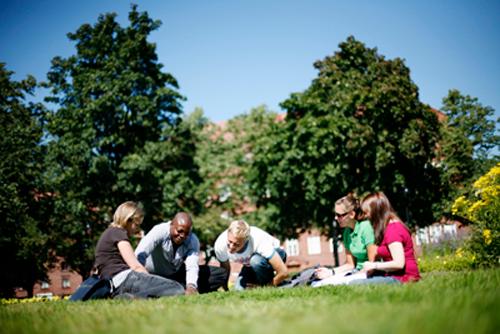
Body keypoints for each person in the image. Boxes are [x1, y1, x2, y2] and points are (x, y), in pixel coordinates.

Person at [94, 201, 185, 298]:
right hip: (125, 279)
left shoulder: (109, 233)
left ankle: (125, 297)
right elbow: (135, 266)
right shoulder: (118, 233)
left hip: (114, 285)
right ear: (128, 220)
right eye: (136, 224)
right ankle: (135, 297)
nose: (137, 229)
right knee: (176, 288)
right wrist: (148, 278)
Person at [135, 212, 227, 295]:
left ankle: (179, 289)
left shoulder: (192, 240)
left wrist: (191, 286)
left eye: (186, 233)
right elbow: (140, 253)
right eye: (179, 231)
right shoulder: (159, 231)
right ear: (171, 225)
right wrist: (142, 276)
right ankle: (169, 289)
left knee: (220, 273)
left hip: (174, 275)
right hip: (152, 276)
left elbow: (192, 265)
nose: (182, 236)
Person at [352, 191, 421, 284]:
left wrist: (374, 265)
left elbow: (399, 263)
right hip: (392, 274)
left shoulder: (393, 230)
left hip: (404, 278)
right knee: (354, 279)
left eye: (366, 212)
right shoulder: (386, 227)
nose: (366, 216)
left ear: (376, 211)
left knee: (356, 283)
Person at [314, 193, 376, 284]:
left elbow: (372, 264)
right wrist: (330, 272)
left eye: (339, 215)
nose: (336, 218)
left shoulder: (366, 228)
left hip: (369, 273)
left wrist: (353, 276)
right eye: (335, 214)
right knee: (317, 283)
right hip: (357, 272)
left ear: (351, 214)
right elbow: (350, 264)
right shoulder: (347, 232)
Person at [214, 220, 288, 290]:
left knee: (255, 261)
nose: (231, 247)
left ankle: (269, 283)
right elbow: (225, 267)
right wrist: (225, 288)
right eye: (229, 241)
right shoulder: (220, 245)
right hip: (250, 265)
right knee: (239, 290)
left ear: (246, 240)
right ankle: (261, 282)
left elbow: (283, 272)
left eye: (237, 244)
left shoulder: (259, 241)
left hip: (276, 255)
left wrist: (266, 287)